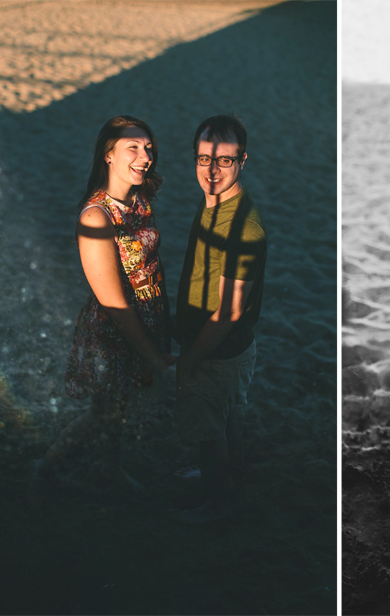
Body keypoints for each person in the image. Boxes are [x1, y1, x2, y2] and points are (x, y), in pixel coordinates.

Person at [30, 115, 176, 504]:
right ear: (108, 155)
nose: (145, 156)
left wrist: (162, 321)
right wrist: (155, 356)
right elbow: (114, 302)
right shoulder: (96, 216)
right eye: (133, 148)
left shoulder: (139, 200)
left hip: (147, 318)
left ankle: (110, 468)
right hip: (114, 331)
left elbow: (151, 265)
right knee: (102, 413)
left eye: (148, 148)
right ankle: (44, 472)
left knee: (119, 407)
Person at [173, 114, 267, 523]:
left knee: (210, 432)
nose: (211, 170)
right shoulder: (213, 200)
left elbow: (229, 310)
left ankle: (218, 505)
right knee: (227, 420)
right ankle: (226, 479)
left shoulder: (243, 228)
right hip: (221, 348)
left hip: (217, 352)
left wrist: (189, 360)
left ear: (242, 161)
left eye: (224, 160)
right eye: (203, 159)